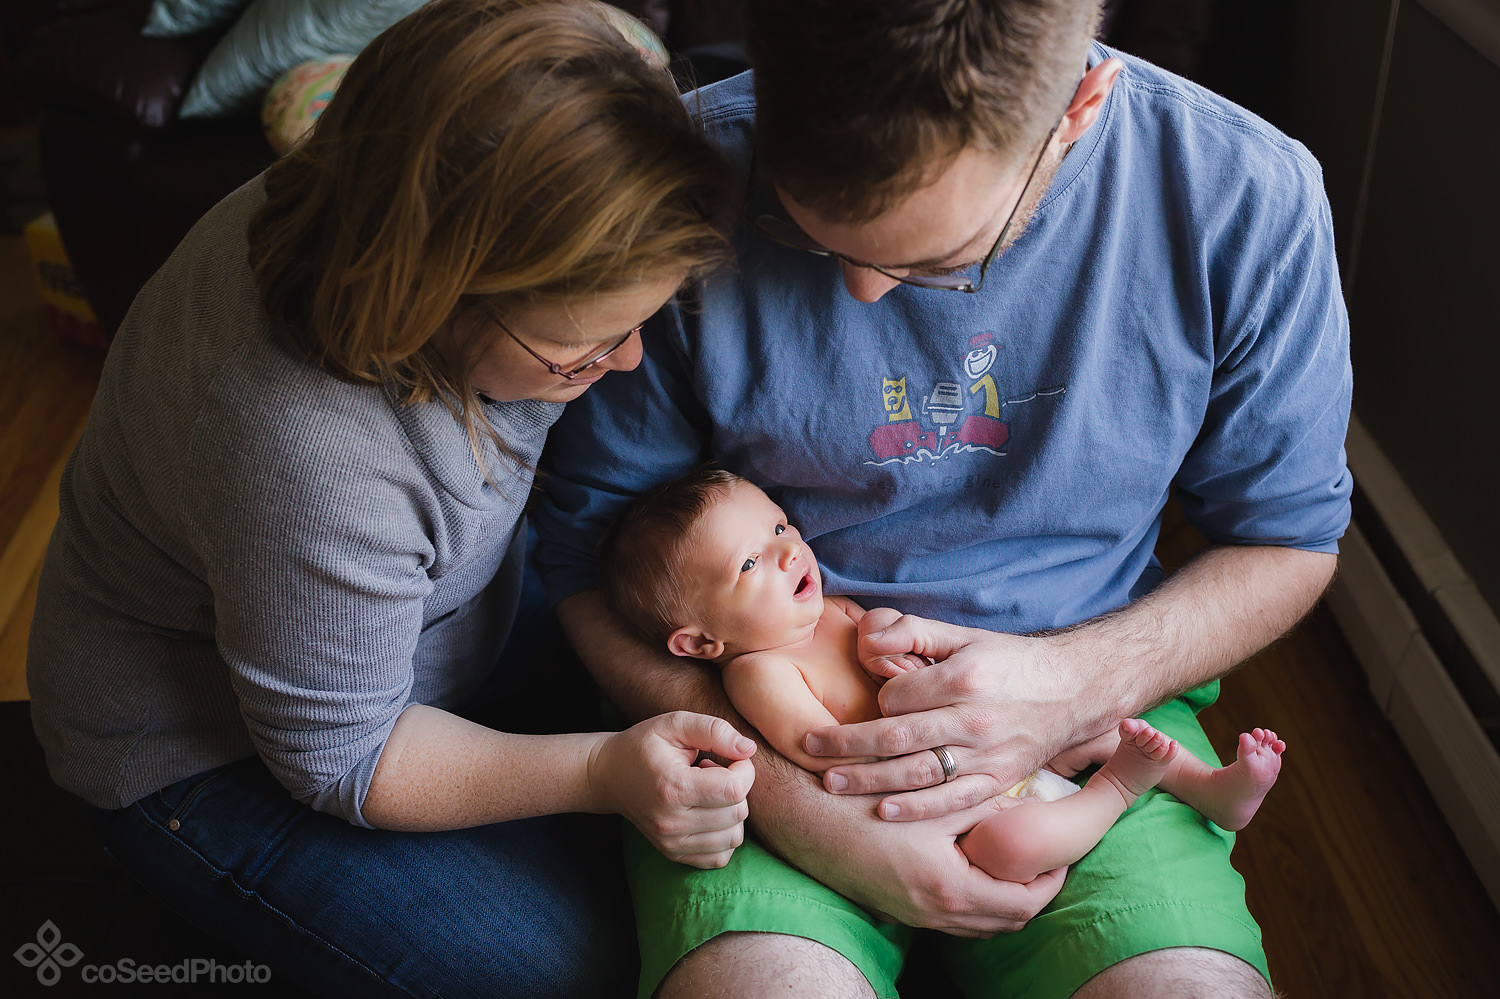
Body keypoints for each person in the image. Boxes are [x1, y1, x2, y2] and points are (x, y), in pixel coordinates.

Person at [535, 1, 1351, 997]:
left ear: (1080, 106)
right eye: (805, 226)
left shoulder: (1246, 196)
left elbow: (1289, 539)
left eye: (938, 262)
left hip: (1094, 709)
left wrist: (1075, 684)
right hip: (764, 757)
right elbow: (585, 559)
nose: (863, 294)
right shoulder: (683, 171)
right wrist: (806, 810)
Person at [25, 2, 753, 995]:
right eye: (581, 352)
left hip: (433, 626)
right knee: (588, 970)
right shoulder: (301, 445)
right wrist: (598, 772)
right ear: (436, 298)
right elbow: (345, 755)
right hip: (214, 754)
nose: (625, 362)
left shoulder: (402, 174)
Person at [602, 468, 1287, 885]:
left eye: (779, 527)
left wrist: (885, 642)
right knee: (1011, 847)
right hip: (950, 797)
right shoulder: (759, 671)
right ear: (701, 641)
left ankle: (1209, 787)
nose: (787, 552)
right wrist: (898, 712)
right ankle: (1117, 788)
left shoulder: (830, 607)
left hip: (995, 735)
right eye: (749, 564)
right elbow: (822, 747)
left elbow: (883, 635)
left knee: (1099, 724)